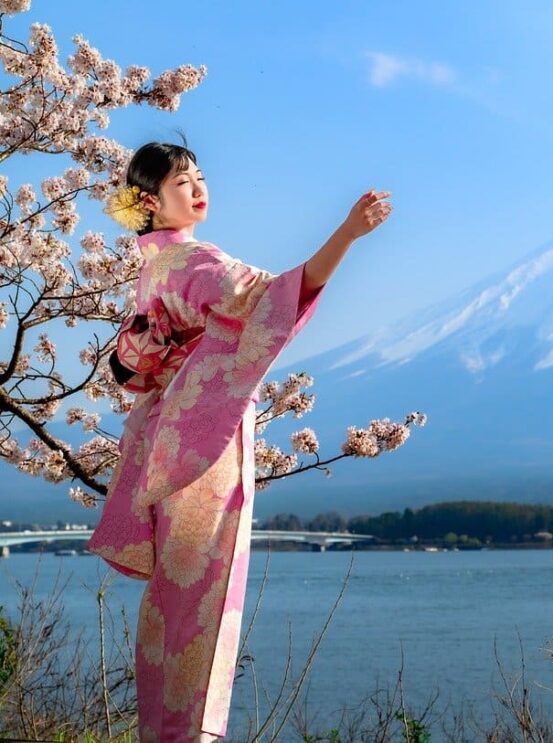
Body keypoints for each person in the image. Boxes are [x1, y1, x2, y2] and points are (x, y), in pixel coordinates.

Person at [86, 139, 392, 741]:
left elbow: (133, 366)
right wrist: (347, 235)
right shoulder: (195, 262)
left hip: (168, 441)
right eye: (181, 183)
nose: (198, 188)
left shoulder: (155, 266)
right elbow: (274, 299)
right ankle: (189, 734)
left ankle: (162, 730)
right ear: (149, 201)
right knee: (207, 596)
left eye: (199, 177)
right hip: (208, 443)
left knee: (174, 601)